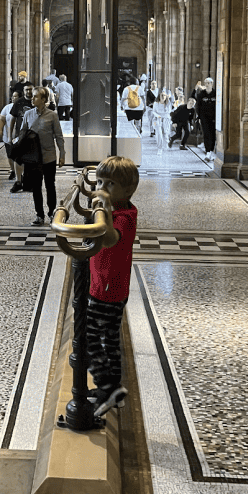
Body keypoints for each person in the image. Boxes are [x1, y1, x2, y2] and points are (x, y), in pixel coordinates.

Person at [85, 155, 139, 417]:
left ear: (128, 190)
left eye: (111, 184)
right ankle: (114, 390)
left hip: (107, 289)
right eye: (100, 182)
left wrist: (104, 209)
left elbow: (108, 240)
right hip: (108, 286)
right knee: (109, 338)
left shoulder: (124, 217)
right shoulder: (120, 210)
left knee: (88, 336)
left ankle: (106, 385)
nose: (103, 188)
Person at [19, 86, 65, 226]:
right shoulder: (28, 114)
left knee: (50, 186)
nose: (32, 99)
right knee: (36, 187)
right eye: (32, 96)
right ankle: (39, 215)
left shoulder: (52, 115)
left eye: (35, 97)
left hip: (49, 156)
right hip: (33, 159)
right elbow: (22, 134)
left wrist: (62, 154)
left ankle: (52, 213)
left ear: (44, 100)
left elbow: (58, 136)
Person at [8, 82, 35, 192]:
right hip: (20, 135)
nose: (28, 92)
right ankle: (18, 181)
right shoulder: (19, 102)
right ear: (23, 91)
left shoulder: (36, 101)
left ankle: (29, 182)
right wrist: (10, 136)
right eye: (26, 90)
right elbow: (13, 119)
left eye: (30, 89)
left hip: (33, 135)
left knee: (31, 160)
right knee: (17, 158)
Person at [0, 90, 21, 180]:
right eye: (12, 96)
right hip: (8, 135)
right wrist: (0, 130)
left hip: (19, 136)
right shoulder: (7, 107)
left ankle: (20, 173)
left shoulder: (22, 107)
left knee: (19, 155)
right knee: (10, 155)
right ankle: (13, 171)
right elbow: (2, 119)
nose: (13, 98)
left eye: (15, 96)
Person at [196, 76, 217, 161]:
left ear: (212, 84)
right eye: (206, 83)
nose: (207, 85)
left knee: (212, 134)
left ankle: (212, 151)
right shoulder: (201, 94)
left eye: (208, 83)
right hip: (204, 118)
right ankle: (208, 151)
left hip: (214, 118)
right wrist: (199, 117)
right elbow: (198, 106)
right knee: (206, 134)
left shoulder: (216, 93)